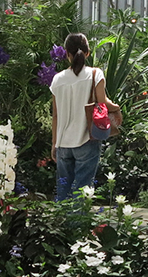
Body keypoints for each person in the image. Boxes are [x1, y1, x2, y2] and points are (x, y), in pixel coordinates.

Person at [50, 32, 119, 201]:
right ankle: (79, 226)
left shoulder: (57, 80)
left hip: (63, 144)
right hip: (86, 140)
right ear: (87, 53)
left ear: (66, 53)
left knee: (63, 192)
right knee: (82, 190)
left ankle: (62, 226)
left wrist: (54, 144)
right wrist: (116, 107)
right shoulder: (95, 74)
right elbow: (103, 103)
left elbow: (56, 116)